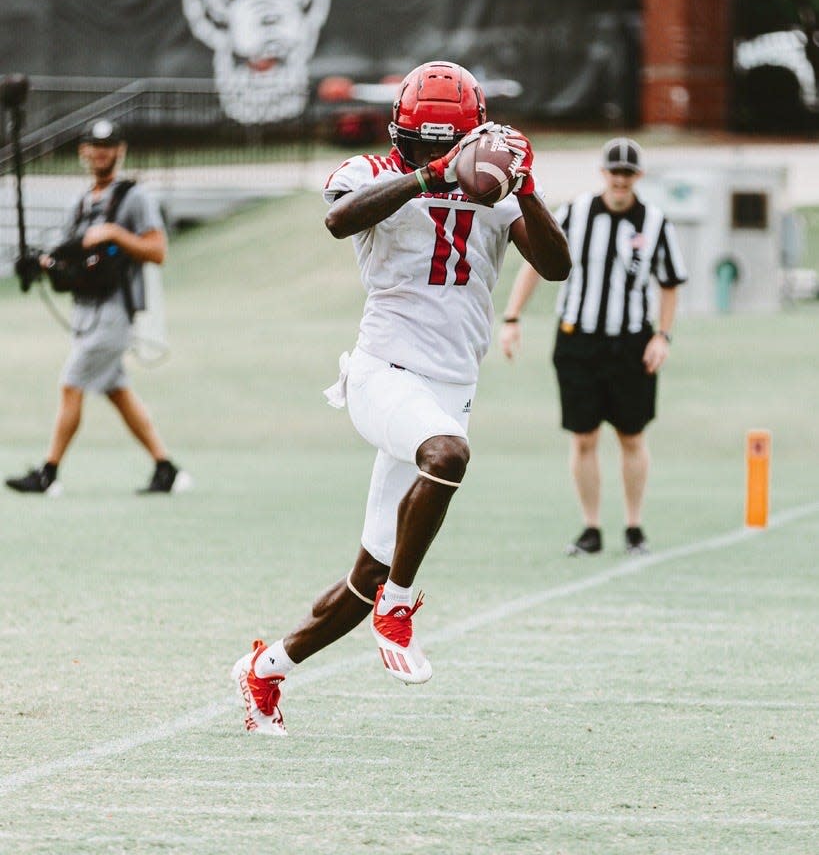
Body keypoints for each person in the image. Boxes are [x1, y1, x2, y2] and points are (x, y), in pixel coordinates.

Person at [231, 60, 571, 734]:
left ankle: (266, 669)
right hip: (383, 372)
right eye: (423, 143)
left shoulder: (494, 189)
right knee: (446, 457)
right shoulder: (373, 171)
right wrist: (426, 175)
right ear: (402, 136)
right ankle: (403, 602)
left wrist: (525, 187)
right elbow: (337, 221)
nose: (437, 154)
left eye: (448, 144)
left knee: (367, 574)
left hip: (451, 383)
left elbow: (557, 265)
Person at [500, 137, 687, 557]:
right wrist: (512, 318)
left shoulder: (655, 223)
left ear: (637, 176)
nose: (620, 180)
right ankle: (591, 527)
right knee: (583, 437)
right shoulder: (575, 213)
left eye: (628, 172)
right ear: (603, 174)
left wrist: (663, 335)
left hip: (631, 341)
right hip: (578, 339)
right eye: (613, 171)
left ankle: (634, 527)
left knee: (632, 435)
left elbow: (670, 283)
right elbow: (538, 262)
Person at [5, 118, 190, 497]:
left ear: (120, 151)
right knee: (117, 391)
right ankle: (166, 467)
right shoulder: (79, 202)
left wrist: (116, 234)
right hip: (84, 312)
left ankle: (49, 472)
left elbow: (157, 251)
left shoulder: (134, 198)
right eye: (94, 145)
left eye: (109, 146)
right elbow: (66, 255)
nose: (101, 153)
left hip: (115, 311)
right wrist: (39, 263)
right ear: (83, 152)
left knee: (70, 384)